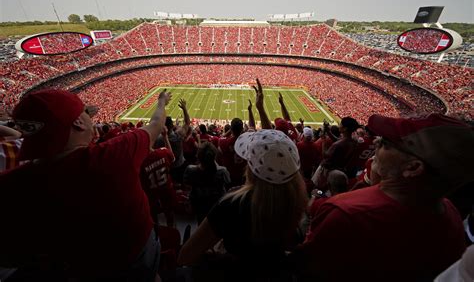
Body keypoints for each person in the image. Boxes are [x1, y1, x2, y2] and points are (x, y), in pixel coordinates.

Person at [0, 88, 171, 281]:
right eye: (85, 112)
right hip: (136, 262)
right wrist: (162, 101)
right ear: (79, 122)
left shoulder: (10, 185)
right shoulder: (114, 155)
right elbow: (156, 123)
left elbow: (9, 256)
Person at [290, 113, 474, 282]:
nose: (376, 143)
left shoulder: (346, 213)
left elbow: (304, 268)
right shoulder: (451, 215)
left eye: (387, 142)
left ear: (413, 168)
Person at [177, 79, 308, 281]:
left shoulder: (232, 204)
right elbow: (275, 148)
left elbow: (186, 255)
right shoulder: (297, 206)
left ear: (251, 168)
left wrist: (218, 254)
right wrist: (260, 107)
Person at [183, 142, 230, 224]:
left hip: (199, 205)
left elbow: (187, 185)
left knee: (201, 222)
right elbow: (228, 182)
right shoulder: (222, 171)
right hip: (217, 206)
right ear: (214, 157)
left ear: (198, 157)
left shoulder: (190, 170)